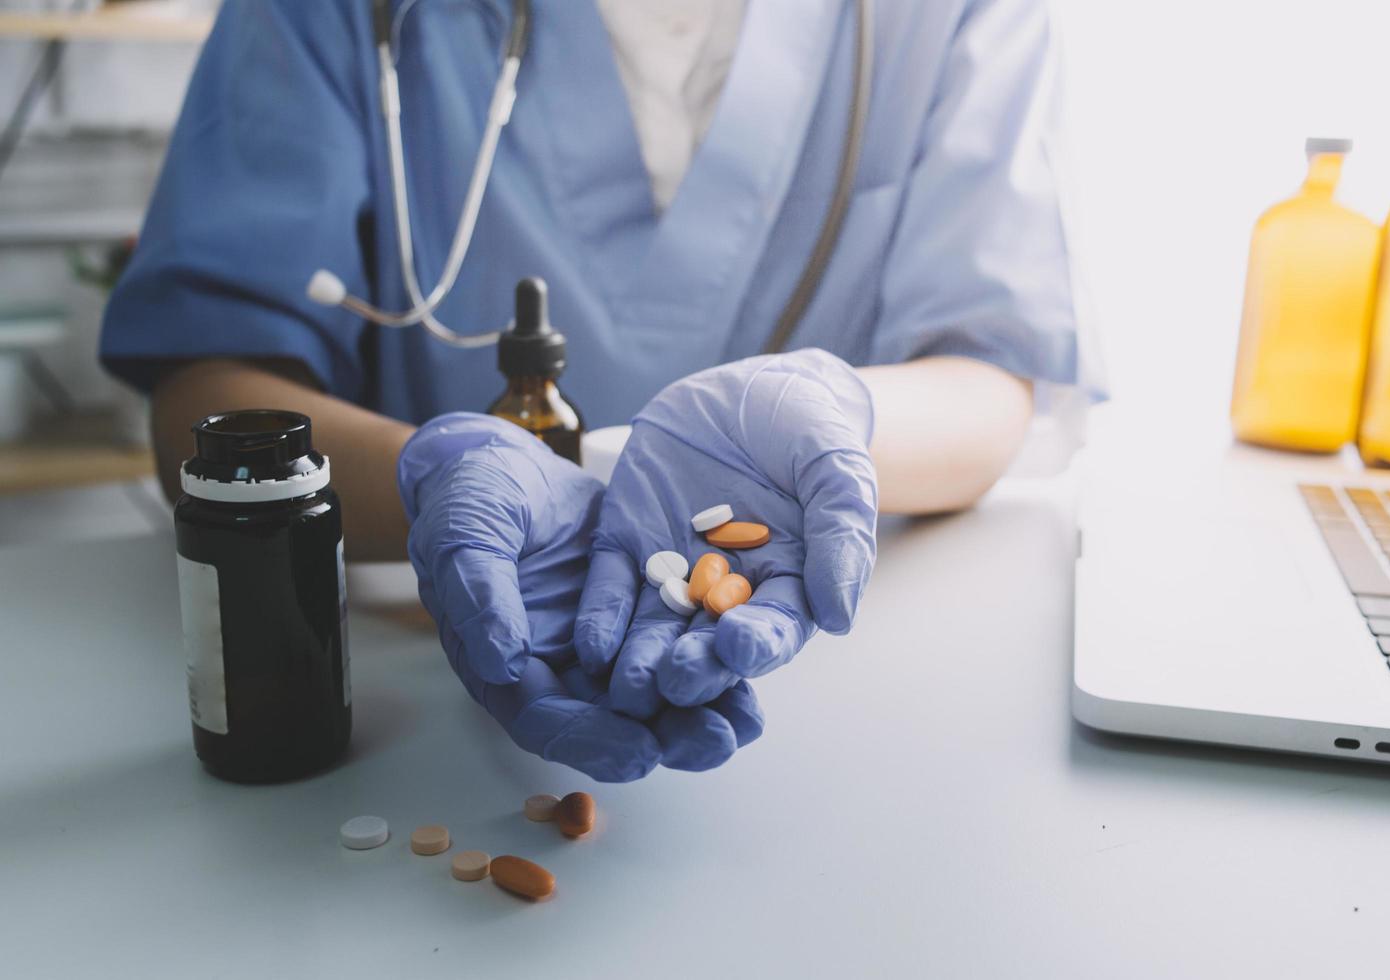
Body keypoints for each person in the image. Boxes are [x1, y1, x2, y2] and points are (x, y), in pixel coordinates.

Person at [100, 0, 1100, 781]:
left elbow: (988, 374)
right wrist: (431, 481)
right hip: (405, 689)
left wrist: (831, 418)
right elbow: (207, 395)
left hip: (873, 705)